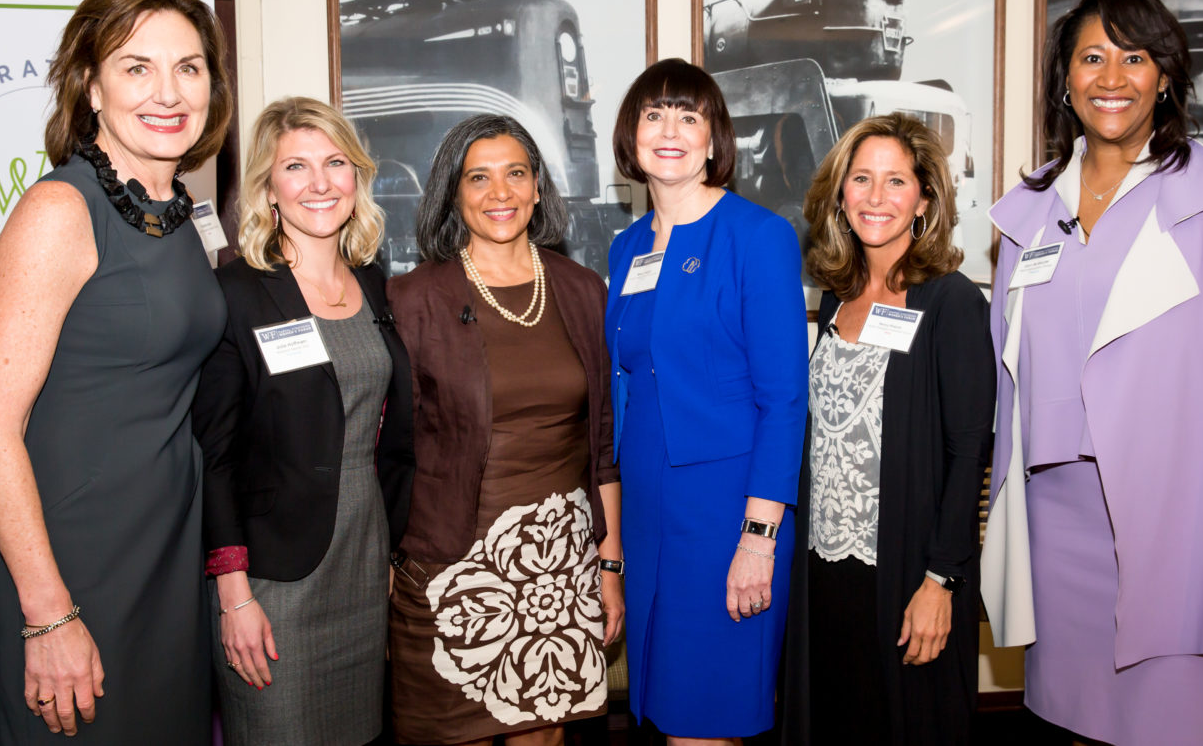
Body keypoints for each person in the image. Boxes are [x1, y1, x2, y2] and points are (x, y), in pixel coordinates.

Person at [982, 0, 1203, 745]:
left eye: (1134, 57)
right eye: (1091, 57)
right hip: (1059, 525)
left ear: (1166, 75)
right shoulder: (1028, 211)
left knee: (1177, 724)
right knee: (1073, 723)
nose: (1111, 76)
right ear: (1063, 78)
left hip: (1188, 522)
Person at [0, 0, 233, 744]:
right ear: (90, 85)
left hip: (165, 554)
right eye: (136, 67)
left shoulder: (176, 215)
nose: (169, 91)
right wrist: (49, 613)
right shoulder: (59, 210)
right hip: (79, 562)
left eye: (189, 67)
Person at [386, 113, 623, 745]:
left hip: (559, 568)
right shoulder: (413, 300)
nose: (500, 193)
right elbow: (391, 447)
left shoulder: (581, 290)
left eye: (515, 174)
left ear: (538, 186)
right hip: (450, 566)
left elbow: (602, 446)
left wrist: (610, 564)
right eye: (479, 178)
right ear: (453, 194)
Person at [190, 97, 414, 744]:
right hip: (272, 579)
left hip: (363, 564)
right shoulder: (237, 291)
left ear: (357, 177)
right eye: (296, 166)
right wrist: (234, 594)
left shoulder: (373, 282)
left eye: (335, 163)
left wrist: (393, 545)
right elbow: (216, 455)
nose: (319, 182)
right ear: (269, 187)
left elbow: (389, 429)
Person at [605, 58, 808, 742]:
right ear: (631, 136)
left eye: (688, 116)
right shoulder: (626, 247)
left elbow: (784, 400)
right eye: (654, 114)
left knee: (703, 714)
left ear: (714, 139)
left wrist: (758, 537)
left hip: (727, 510)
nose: (670, 130)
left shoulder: (759, 237)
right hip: (649, 506)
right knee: (664, 707)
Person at [776, 114, 994, 745]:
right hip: (823, 572)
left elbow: (968, 452)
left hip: (905, 574)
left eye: (896, 181)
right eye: (861, 179)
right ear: (840, 194)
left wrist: (941, 580)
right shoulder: (834, 298)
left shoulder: (952, 302)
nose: (876, 197)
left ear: (924, 198)